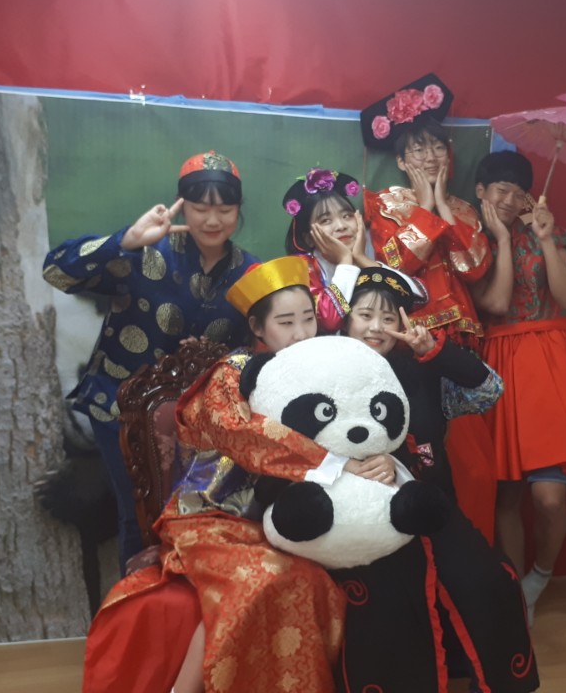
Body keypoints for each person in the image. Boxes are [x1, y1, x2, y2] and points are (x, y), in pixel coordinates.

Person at [83, 257, 364, 693]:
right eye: (285, 322)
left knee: (314, 583)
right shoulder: (232, 375)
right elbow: (244, 434)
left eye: (308, 319)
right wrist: (331, 462)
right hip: (206, 516)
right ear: (257, 327)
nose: (301, 333)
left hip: (273, 523)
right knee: (260, 579)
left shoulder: (317, 372)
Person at [42, 150, 258, 573]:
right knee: (137, 515)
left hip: (198, 420)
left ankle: (179, 600)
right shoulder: (144, 252)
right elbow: (56, 272)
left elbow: (255, 346)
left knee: (191, 515)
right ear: (183, 205)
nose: (212, 220)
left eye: (225, 209)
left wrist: (217, 357)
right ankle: (136, 602)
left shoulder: (249, 271)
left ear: (238, 210)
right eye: (200, 208)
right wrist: (124, 240)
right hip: (119, 408)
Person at [340, 267, 539, 693]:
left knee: (491, 581)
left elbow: (489, 389)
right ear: (345, 317)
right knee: (386, 605)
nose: (375, 327)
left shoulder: (421, 367)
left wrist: (433, 349)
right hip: (364, 518)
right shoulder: (325, 367)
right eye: (365, 315)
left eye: (388, 318)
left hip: (435, 508)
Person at [470, 150, 566, 622]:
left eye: (518, 193)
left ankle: (539, 576)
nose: (510, 201)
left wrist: (547, 239)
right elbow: (493, 304)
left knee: (549, 497)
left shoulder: (553, 232)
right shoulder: (471, 240)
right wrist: (502, 240)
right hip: (499, 358)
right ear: (481, 192)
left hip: (550, 361)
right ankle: (516, 592)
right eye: (501, 191)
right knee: (506, 493)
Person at [359, 74, 497, 540]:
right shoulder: (383, 204)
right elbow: (398, 262)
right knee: (421, 451)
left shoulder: (466, 209)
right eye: (417, 148)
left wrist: (441, 206)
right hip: (410, 345)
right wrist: (424, 208)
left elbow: (474, 267)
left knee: (473, 462)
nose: (431, 156)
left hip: (461, 346)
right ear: (400, 160)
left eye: (438, 146)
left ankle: (475, 548)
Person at [282, 166, 428, 332]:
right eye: (325, 220)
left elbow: (419, 297)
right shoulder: (301, 269)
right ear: (309, 238)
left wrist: (362, 259)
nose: (341, 226)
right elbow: (328, 321)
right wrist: (345, 261)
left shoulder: (376, 247)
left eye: (347, 216)